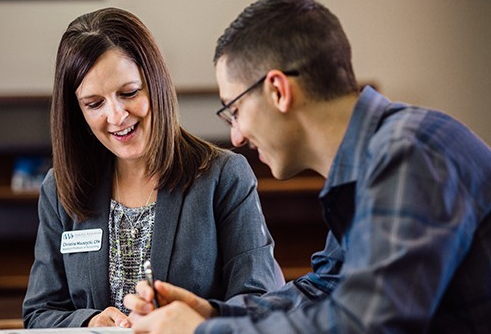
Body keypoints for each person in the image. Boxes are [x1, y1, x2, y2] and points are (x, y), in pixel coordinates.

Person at [123, 0, 491, 333]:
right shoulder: (374, 158)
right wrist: (212, 315)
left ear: (279, 91)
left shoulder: (409, 153)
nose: (235, 137)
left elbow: (364, 324)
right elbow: (324, 288)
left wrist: (200, 333)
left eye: (234, 111)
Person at [22, 7, 284, 329]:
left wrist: (194, 321)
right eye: (94, 104)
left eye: (129, 93)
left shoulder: (224, 176)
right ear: (77, 111)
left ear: (156, 83)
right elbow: (39, 313)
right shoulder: (60, 188)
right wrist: (89, 322)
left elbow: (260, 302)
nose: (116, 116)